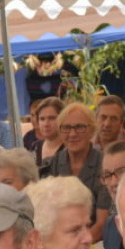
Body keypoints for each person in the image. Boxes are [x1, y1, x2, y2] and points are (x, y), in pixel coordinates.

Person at [42, 102, 112, 241]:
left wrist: (74, 246)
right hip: (58, 242)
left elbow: (102, 224)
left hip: (94, 242)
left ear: (92, 130)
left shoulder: (105, 166)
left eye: (80, 127)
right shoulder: (51, 165)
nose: (72, 134)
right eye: (66, 128)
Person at [26, 97, 64, 164]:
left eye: (52, 118)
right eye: (42, 119)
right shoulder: (35, 147)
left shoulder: (70, 149)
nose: (46, 124)